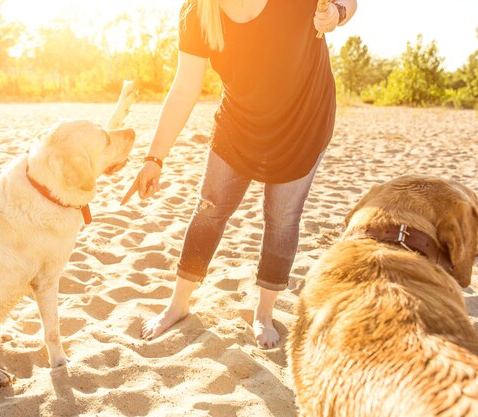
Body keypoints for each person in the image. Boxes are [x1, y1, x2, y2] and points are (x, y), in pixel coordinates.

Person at [121, 0, 357, 348]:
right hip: (240, 120)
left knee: (281, 217)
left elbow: (348, 3)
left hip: (303, 121)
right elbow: (185, 86)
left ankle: (263, 313)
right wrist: (154, 158)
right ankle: (178, 304)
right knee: (209, 208)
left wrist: (337, 11)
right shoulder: (198, 12)